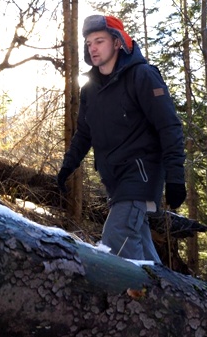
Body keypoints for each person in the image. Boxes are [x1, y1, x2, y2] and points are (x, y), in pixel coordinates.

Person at [57, 15, 186, 263]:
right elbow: (84, 133)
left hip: (141, 174)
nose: (92, 48)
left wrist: (175, 178)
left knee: (117, 237)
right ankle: (164, 294)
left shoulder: (143, 76)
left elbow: (168, 126)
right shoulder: (90, 89)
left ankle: (140, 300)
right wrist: (68, 166)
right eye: (89, 42)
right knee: (140, 248)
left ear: (117, 43)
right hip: (114, 180)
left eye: (99, 41)